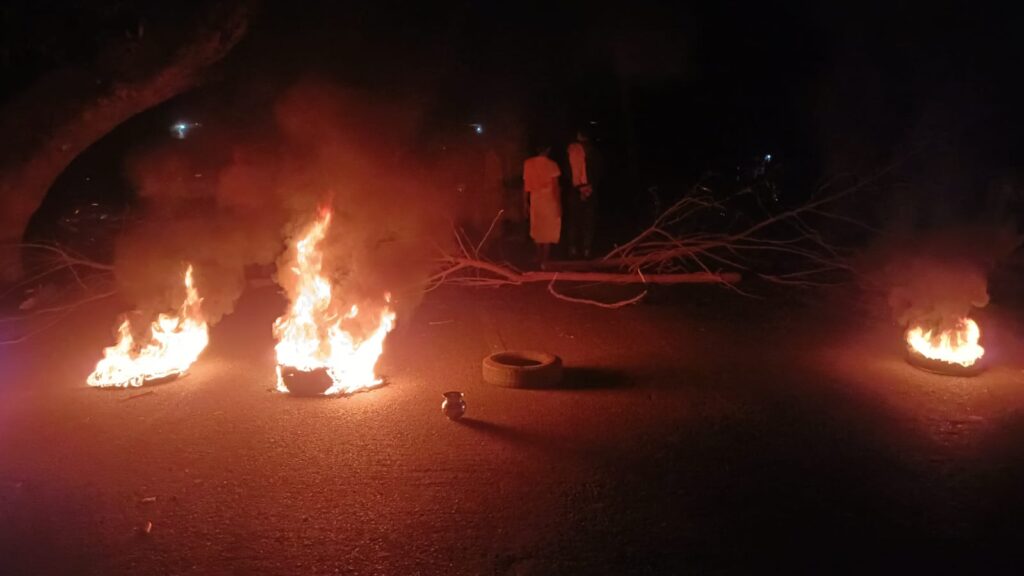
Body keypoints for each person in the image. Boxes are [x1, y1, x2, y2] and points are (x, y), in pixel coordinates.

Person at [566, 129, 603, 258]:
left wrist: (580, 188)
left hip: (576, 191)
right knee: (588, 221)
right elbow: (599, 172)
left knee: (574, 220)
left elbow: (567, 172)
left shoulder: (572, 150)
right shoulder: (594, 152)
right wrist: (588, 188)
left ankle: (574, 249)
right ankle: (586, 249)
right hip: (589, 191)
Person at [522, 144, 562, 265]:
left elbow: (525, 186)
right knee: (548, 230)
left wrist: (525, 202)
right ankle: (545, 258)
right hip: (549, 201)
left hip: (535, 200)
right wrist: (559, 204)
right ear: (548, 149)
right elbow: (555, 187)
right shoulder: (552, 165)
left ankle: (539, 256)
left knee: (538, 228)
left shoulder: (528, 163)